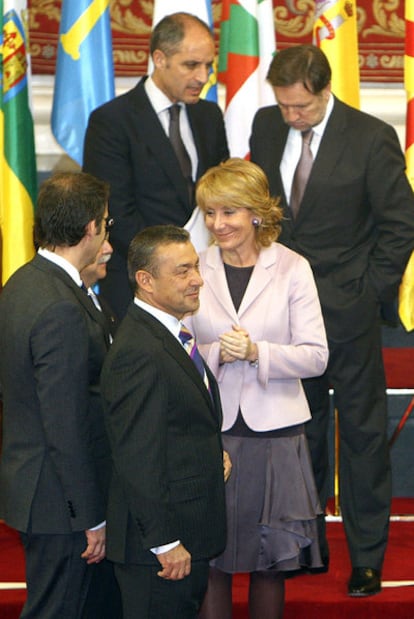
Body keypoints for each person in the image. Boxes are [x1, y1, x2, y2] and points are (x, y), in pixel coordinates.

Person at [250, 44, 414, 596]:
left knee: (363, 438)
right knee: (300, 432)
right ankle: (307, 543)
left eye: (300, 107)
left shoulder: (370, 137)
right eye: (284, 106)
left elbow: (399, 225)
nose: (290, 117)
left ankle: (367, 557)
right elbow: (264, 212)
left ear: (324, 91)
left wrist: (368, 296)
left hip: (349, 314)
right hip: (284, 313)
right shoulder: (266, 127)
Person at [185, 158, 329, 619]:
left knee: (271, 563)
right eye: (209, 213)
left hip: (277, 433)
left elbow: (316, 356)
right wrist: (215, 353)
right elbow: (175, 346)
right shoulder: (193, 266)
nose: (217, 224)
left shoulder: (292, 267)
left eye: (228, 212)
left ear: (255, 213)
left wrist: (257, 353)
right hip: (212, 428)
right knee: (212, 561)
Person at [0, 172, 122, 618]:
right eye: (106, 223)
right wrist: (88, 516)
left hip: (43, 494)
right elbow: (64, 423)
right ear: (91, 227)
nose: (108, 232)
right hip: (61, 504)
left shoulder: (24, 282)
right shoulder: (60, 306)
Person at [100, 225, 229, 619]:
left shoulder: (168, 334)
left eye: (196, 268)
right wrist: (164, 542)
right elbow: (137, 456)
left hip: (185, 536)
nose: (197, 280)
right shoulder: (139, 350)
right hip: (160, 552)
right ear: (145, 280)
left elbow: (176, 424)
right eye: (183, 271)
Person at [83, 11, 229, 320]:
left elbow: (220, 195)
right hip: (140, 288)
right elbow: (116, 214)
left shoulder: (210, 116)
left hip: (204, 286)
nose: (203, 77)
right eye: (191, 65)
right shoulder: (112, 122)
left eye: (208, 66)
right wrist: (169, 268)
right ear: (159, 59)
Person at [81, 235, 118, 339]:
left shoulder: (103, 304)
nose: (109, 249)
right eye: (100, 241)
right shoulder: (63, 308)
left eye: (107, 239)